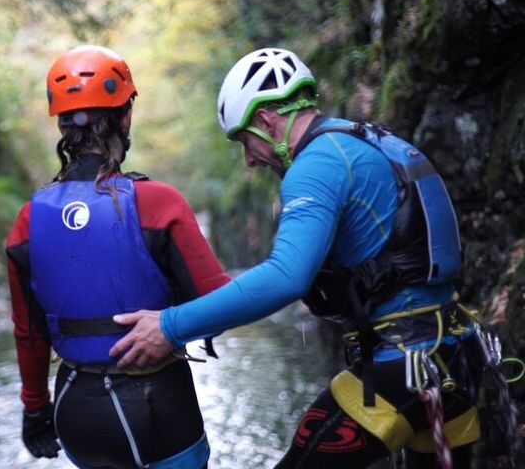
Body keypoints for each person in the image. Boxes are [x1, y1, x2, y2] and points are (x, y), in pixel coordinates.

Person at [109, 48, 504, 468]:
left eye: (245, 140)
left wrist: (170, 326)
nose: (248, 159)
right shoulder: (369, 140)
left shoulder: (316, 166)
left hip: (403, 368)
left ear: (265, 120)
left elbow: (286, 276)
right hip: (454, 358)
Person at [5, 45, 230, 469]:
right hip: (158, 409)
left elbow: (29, 334)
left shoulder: (27, 220)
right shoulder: (159, 204)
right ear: (124, 117)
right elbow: (220, 303)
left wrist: (36, 409)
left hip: (77, 414)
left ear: (62, 124)